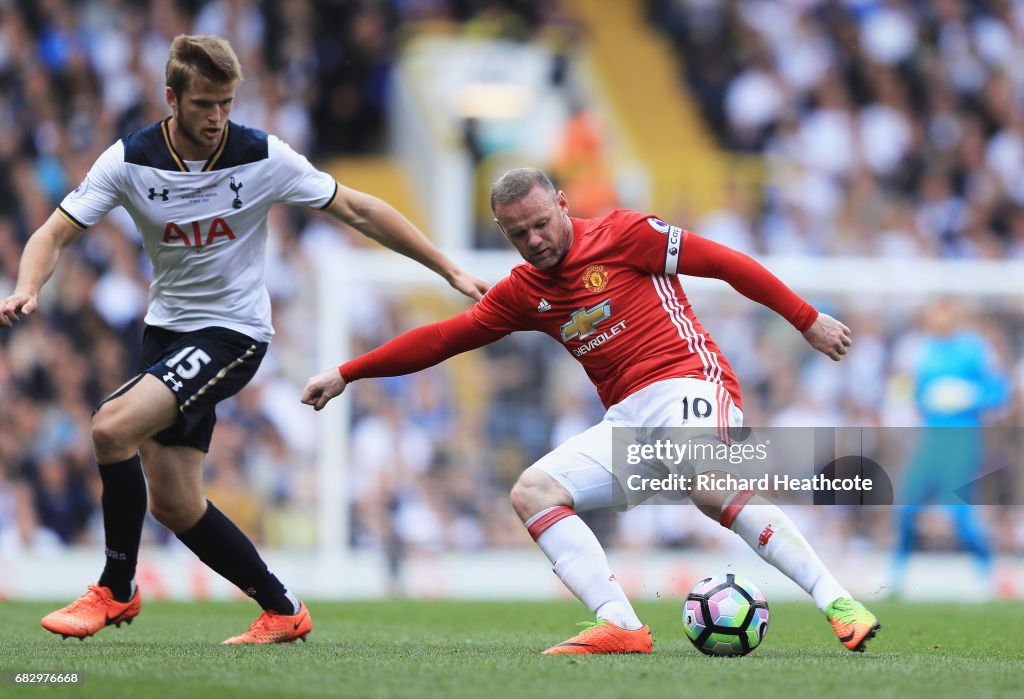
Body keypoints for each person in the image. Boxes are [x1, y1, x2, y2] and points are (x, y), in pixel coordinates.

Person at [0, 34, 488, 644]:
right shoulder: (128, 159)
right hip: (166, 336)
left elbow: (359, 210)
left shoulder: (264, 156)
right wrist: (26, 286)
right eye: (204, 103)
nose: (217, 118)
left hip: (234, 333)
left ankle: (115, 590)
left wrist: (447, 268)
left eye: (227, 103)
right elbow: (52, 234)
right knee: (175, 505)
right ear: (172, 97)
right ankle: (283, 609)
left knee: (109, 427)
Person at [302, 168, 880, 654]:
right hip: (627, 420)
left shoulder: (625, 233)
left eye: (541, 224)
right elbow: (439, 339)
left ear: (562, 204)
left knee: (709, 483)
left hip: (689, 381)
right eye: (519, 233)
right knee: (533, 492)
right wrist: (347, 373)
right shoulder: (524, 291)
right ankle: (623, 626)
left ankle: (838, 600)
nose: (534, 240)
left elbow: (726, 262)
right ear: (504, 232)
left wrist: (806, 319)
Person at [892, 299, 1009, 596]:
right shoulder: (924, 351)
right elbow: (915, 395)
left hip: (963, 439)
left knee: (957, 513)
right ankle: (896, 580)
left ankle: (989, 576)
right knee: (906, 507)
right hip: (931, 439)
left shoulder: (974, 349)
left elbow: (999, 392)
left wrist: (970, 396)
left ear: (955, 316)